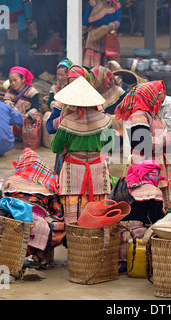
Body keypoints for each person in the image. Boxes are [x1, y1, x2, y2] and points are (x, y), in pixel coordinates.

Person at [51, 77, 115, 225]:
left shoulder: (67, 122)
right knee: (98, 206)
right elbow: (109, 149)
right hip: (97, 169)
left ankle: (75, 239)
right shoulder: (106, 121)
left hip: (73, 170)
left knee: (72, 208)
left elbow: (56, 148)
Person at [115, 80, 171, 208]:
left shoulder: (151, 114)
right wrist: (168, 139)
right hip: (145, 166)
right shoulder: (139, 115)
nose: (160, 96)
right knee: (149, 200)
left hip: (155, 163)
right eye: (157, 93)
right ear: (148, 96)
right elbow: (141, 144)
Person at [3, 148, 65, 270]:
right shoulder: (46, 183)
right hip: (36, 219)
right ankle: (39, 255)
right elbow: (57, 211)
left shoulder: (12, 181)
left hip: (12, 219)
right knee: (56, 228)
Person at [46, 65, 92, 175]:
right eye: (71, 83)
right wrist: (64, 116)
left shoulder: (96, 105)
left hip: (90, 160)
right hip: (66, 159)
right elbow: (50, 128)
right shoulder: (62, 102)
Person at [0, 0, 34, 73]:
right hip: (20, 24)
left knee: (8, 50)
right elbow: (27, 9)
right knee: (22, 49)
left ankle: (8, 71)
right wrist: (28, 21)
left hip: (5, 24)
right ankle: (23, 71)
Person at [3, 66, 41, 139]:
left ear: (23, 79)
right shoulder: (10, 92)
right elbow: (6, 100)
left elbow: (35, 108)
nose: (13, 83)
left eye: (15, 80)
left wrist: (27, 116)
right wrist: (7, 101)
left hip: (28, 120)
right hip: (14, 120)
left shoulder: (32, 92)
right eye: (11, 81)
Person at [82, 0, 122, 68]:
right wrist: (82, 34)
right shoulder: (93, 2)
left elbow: (118, 19)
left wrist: (112, 26)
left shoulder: (115, 4)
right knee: (92, 66)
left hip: (109, 35)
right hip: (94, 36)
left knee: (109, 61)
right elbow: (86, 19)